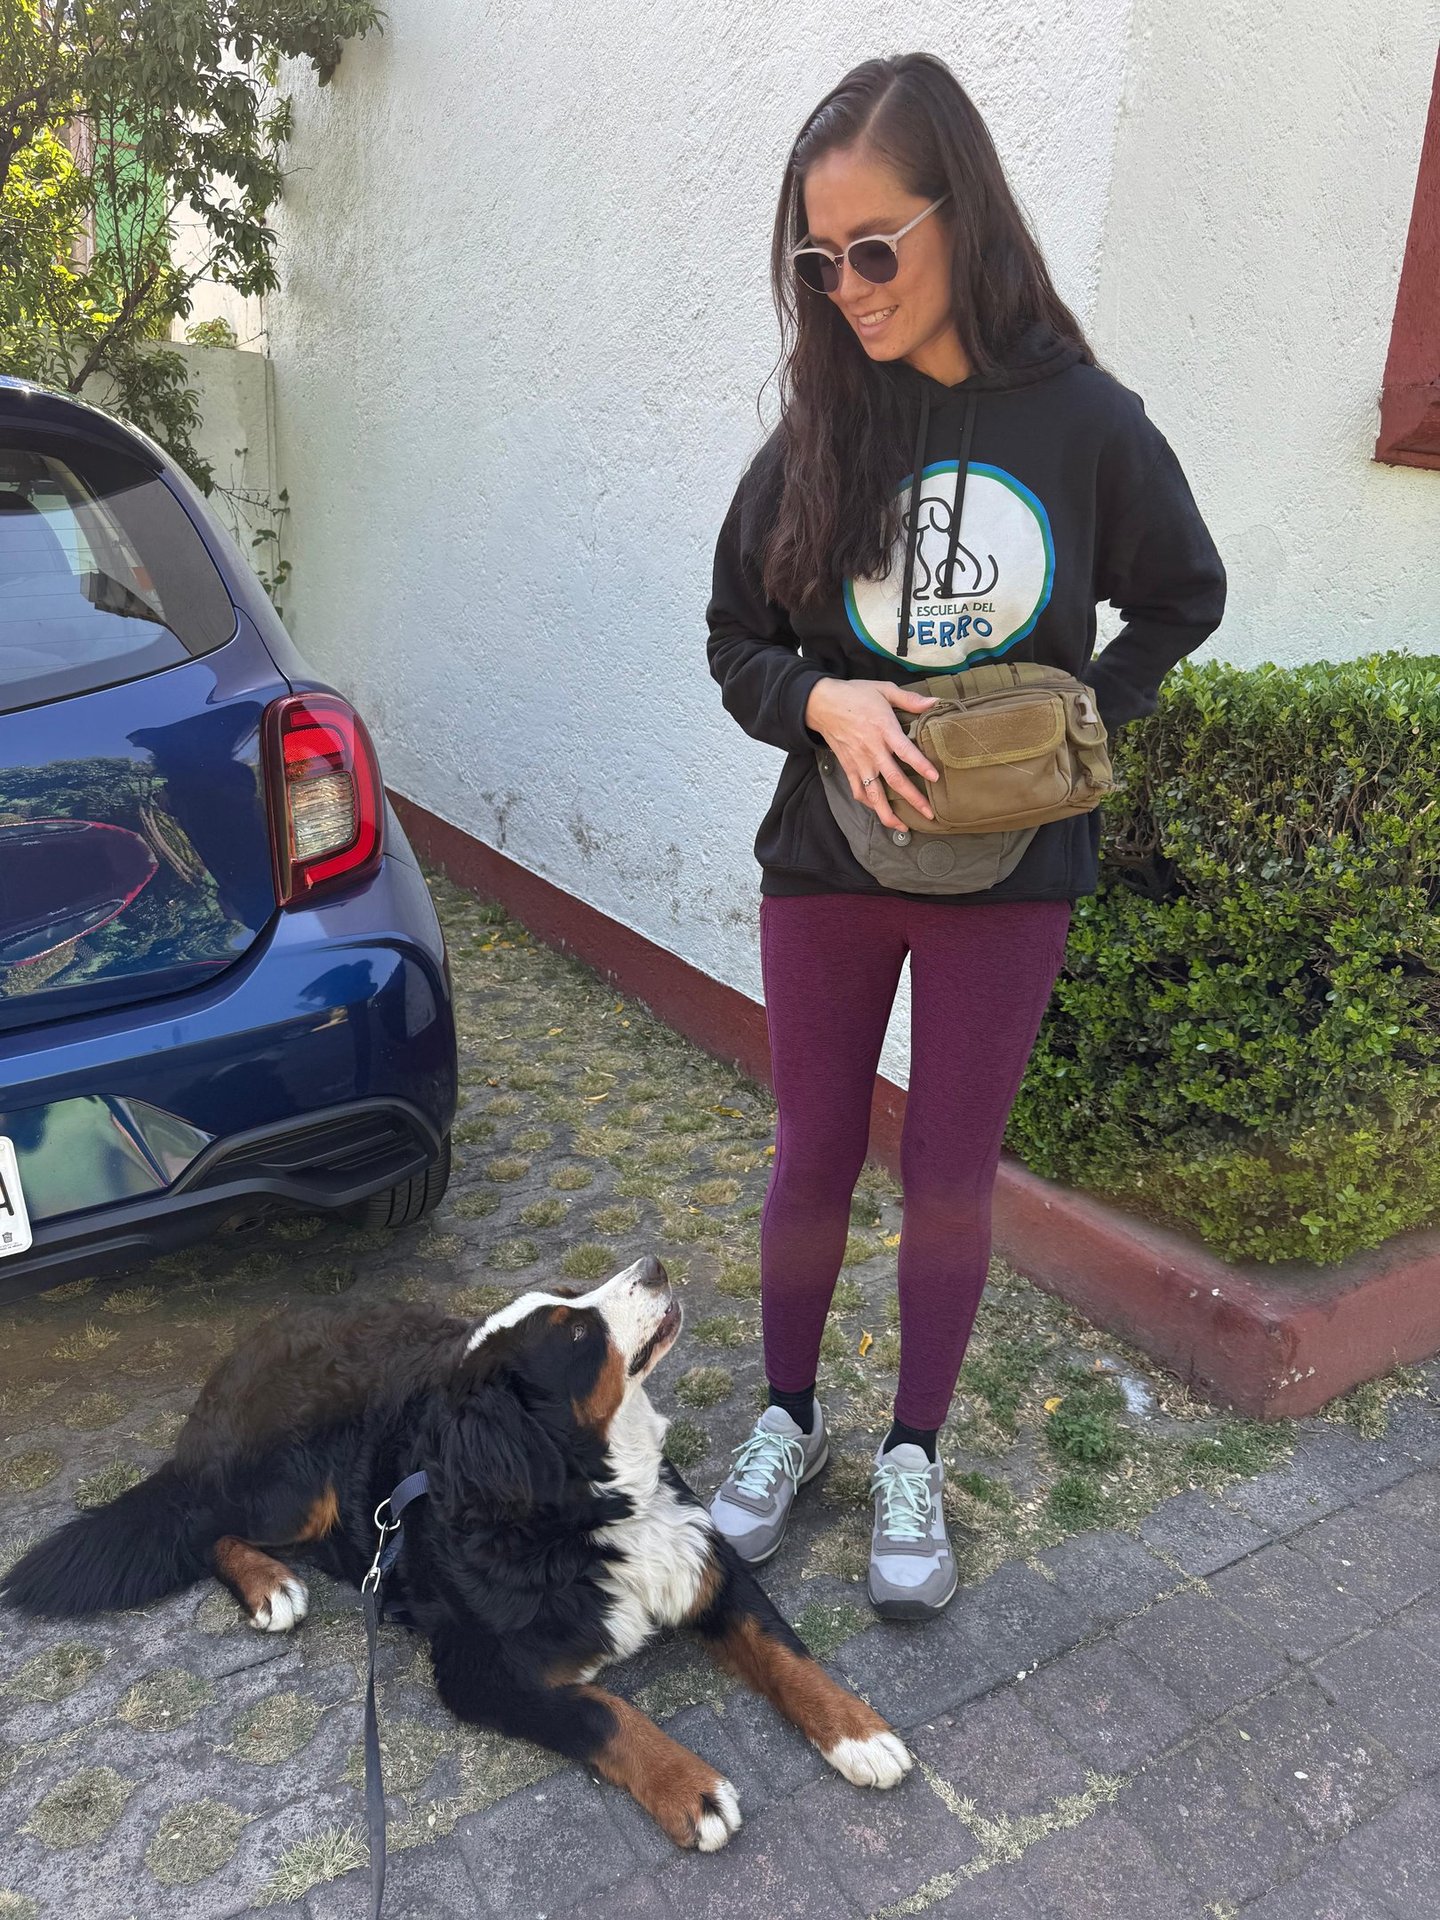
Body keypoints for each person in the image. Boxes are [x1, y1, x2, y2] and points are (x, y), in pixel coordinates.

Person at [703, 52, 1226, 1620]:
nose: (849, 289)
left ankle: (913, 1450)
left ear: (961, 216)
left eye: (875, 248)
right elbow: (735, 640)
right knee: (812, 1151)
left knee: (947, 1171)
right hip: (828, 862)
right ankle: (789, 1416)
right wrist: (823, 703)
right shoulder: (822, 424)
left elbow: (1182, 595)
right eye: (820, 260)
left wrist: (1072, 730)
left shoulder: (1083, 422)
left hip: (1010, 878)